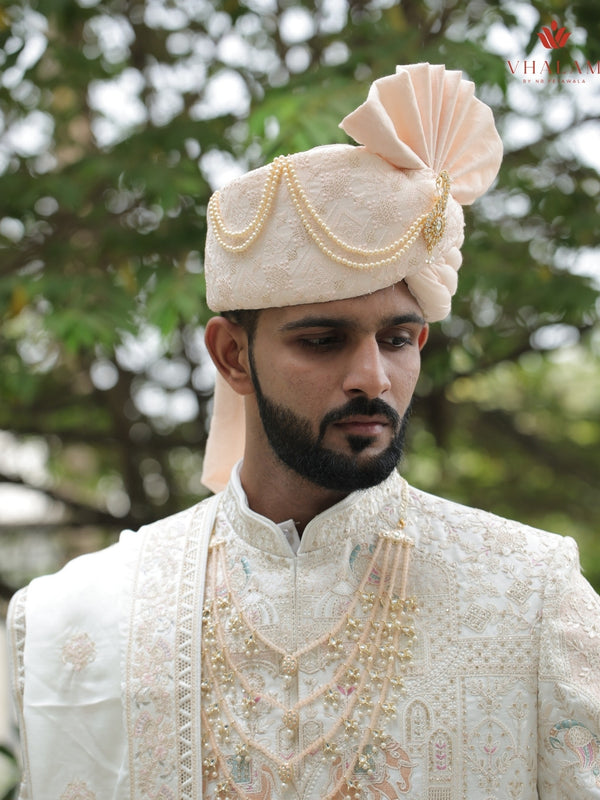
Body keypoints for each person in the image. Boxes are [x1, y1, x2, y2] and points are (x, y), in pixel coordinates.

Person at [6, 63, 600, 800]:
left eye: (398, 339)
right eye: (323, 340)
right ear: (232, 355)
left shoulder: (531, 594)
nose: (372, 379)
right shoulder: (75, 615)